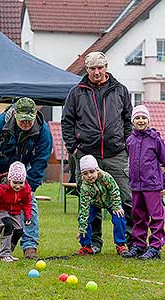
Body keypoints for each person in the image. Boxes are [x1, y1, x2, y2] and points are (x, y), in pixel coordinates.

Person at [61, 51, 133, 253]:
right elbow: (67, 121)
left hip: (116, 153)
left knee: (125, 199)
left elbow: (128, 120)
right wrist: (73, 148)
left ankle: (128, 242)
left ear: (106, 67)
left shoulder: (120, 90)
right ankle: (92, 244)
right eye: (92, 68)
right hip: (86, 154)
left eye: (100, 67)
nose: (96, 72)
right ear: (87, 69)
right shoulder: (77, 92)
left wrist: (126, 144)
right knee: (89, 201)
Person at [0, 97, 52, 259]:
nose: (26, 123)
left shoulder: (42, 130)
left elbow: (41, 159)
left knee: (29, 203)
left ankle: (30, 245)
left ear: (35, 114)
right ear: (15, 114)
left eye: (29, 120)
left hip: (22, 170)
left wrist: (30, 185)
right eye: (22, 120)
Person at [124, 105, 165, 259]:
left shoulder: (155, 139)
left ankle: (155, 246)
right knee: (138, 215)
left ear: (148, 120)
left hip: (152, 185)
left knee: (156, 216)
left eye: (143, 118)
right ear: (133, 121)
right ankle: (139, 244)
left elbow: (164, 160)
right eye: (137, 118)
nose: (140, 121)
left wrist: (162, 183)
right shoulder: (130, 140)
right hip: (136, 185)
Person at [76, 155, 128, 256]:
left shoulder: (106, 177)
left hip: (110, 201)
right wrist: (82, 227)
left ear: (97, 170)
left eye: (92, 172)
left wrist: (117, 206)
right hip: (94, 203)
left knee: (119, 217)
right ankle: (86, 246)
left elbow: (114, 190)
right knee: (85, 220)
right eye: (85, 173)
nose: (89, 176)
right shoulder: (84, 186)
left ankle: (121, 244)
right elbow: (84, 207)